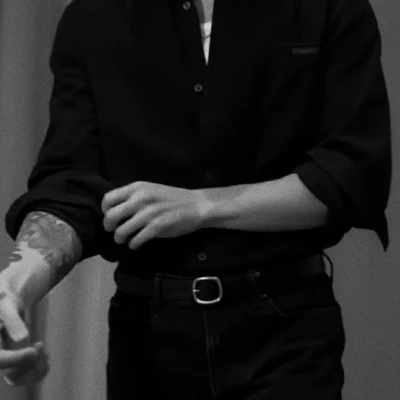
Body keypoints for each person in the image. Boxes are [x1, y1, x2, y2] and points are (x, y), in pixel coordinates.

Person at [0, 0, 392, 398]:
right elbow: (69, 186)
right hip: (147, 335)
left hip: (284, 325)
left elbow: (351, 174)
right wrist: (15, 286)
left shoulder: (327, 7)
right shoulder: (93, 16)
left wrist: (202, 206)